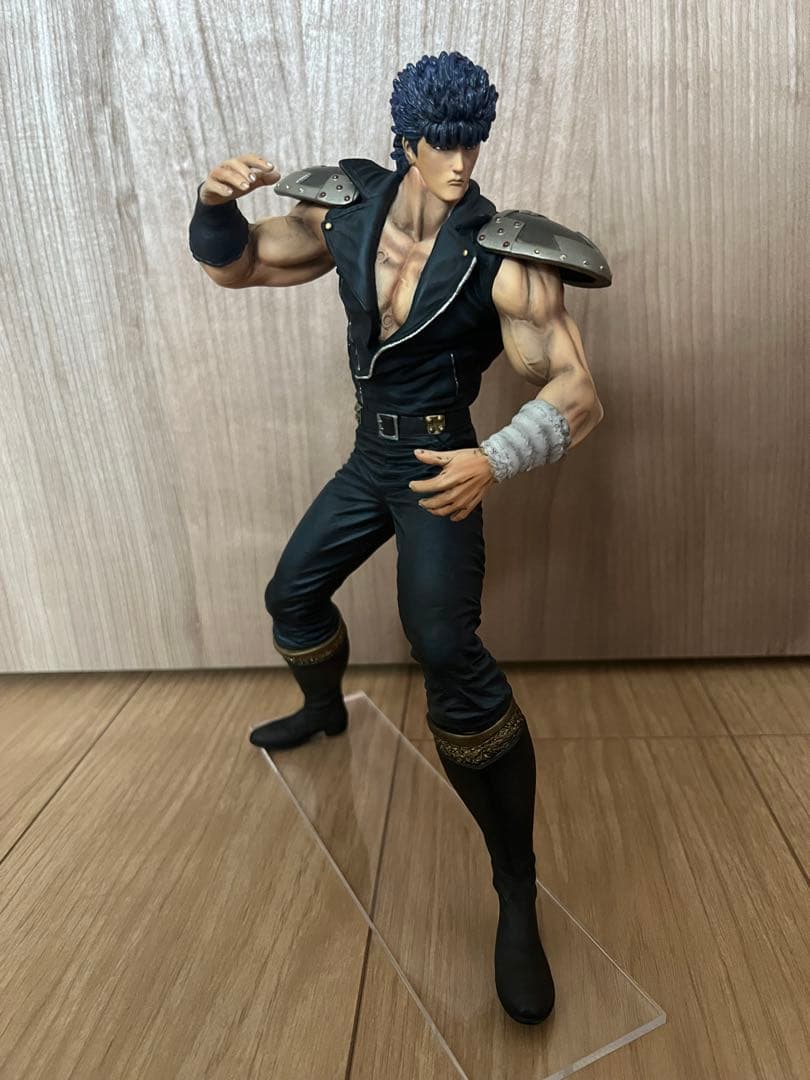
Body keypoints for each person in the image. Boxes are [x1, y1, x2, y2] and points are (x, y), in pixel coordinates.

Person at [188, 50, 610, 1026]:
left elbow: (579, 391)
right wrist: (211, 206)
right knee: (291, 594)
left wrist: (493, 459)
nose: (460, 163)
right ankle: (324, 710)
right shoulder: (347, 210)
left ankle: (516, 888)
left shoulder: (504, 256)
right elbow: (240, 266)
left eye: (473, 143)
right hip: (367, 457)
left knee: (448, 654)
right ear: (406, 139)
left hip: (440, 468)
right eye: (442, 142)